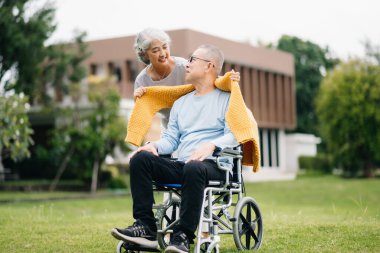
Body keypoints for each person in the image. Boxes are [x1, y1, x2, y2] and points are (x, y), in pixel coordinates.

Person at [111, 44, 239, 253]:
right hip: (184, 164)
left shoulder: (228, 99)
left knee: (194, 167)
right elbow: (171, 140)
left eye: (192, 59)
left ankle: (182, 236)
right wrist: (153, 146)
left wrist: (211, 145)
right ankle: (146, 228)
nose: (186, 64)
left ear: (209, 66)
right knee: (140, 159)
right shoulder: (181, 103)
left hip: (215, 166)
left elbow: (236, 133)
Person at [132, 27, 240, 128]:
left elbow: (209, 81)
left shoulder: (184, 67)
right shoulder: (142, 81)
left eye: (165, 47)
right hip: (171, 130)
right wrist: (137, 99)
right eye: (155, 50)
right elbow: (143, 112)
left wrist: (228, 80)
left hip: (198, 124)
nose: (162, 53)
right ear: (144, 54)